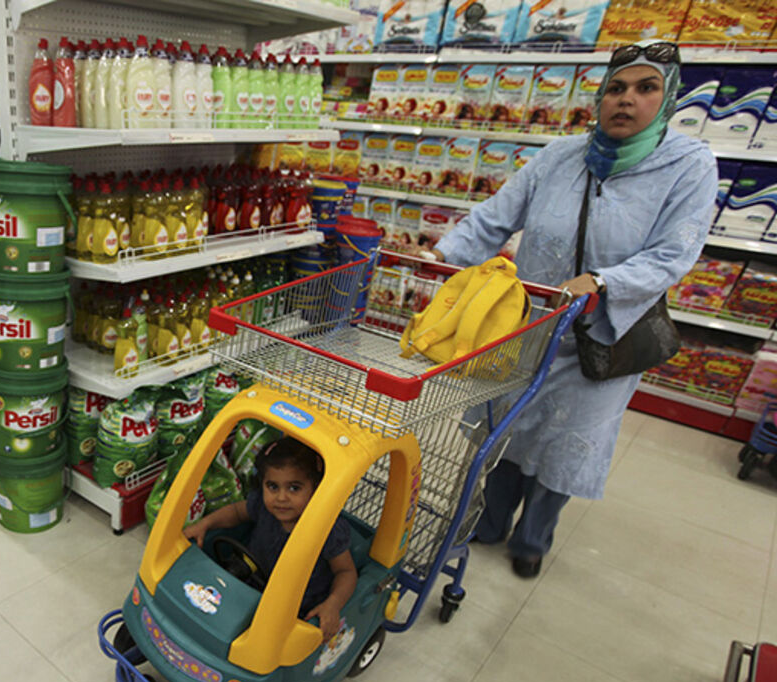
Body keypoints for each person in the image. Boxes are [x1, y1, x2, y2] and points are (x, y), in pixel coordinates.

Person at [425, 39, 716, 579]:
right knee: (511, 425)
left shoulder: (689, 166)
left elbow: (675, 252)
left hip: (604, 336)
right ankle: (491, 519)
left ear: (668, 98)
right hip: (532, 324)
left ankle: (533, 537)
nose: (626, 100)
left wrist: (606, 281)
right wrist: (440, 253)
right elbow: (493, 218)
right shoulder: (560, 156)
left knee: (565, 444)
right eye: (616, 87)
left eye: (645, 88)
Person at [184, 437, 357, 643]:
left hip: (296, 608)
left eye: (294, 488)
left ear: (315, 489)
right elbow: (238, 512)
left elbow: (345, 572)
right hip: (252, 585)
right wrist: (206, 523)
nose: (281, 498)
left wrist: (333, 604)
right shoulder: (264, 507)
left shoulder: (327, 528)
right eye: (273, 487)